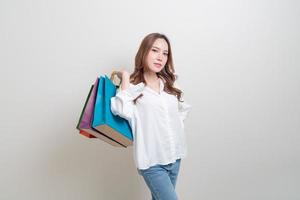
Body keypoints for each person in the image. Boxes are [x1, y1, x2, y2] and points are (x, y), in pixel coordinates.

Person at [110, 33, 192, 200]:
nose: (160, 57)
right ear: (144, 52)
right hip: (152, 161)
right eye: (155, 50)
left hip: (175, 156)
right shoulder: (134, 86)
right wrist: (125, 77)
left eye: (165, 53)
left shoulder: (170, 83)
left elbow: (180, 112)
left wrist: (173, 131)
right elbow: (120, 109)